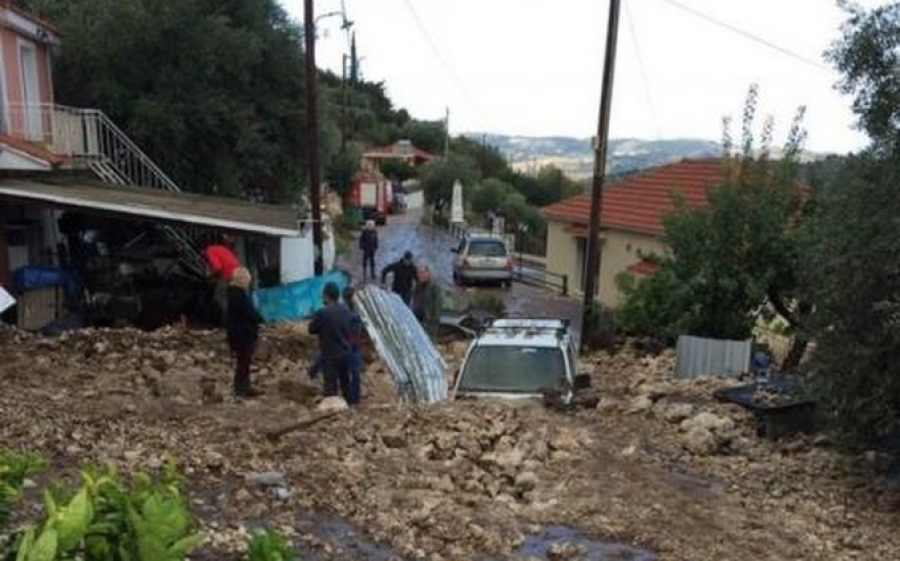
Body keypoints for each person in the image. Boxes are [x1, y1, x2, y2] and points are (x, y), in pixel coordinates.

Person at [307, 285, 365, 406]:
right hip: (345, 353)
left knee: (331, 388)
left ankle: (332, 412)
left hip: (329, 355)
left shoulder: (322, 313)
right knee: (345, 383)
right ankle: (350, 404)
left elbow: (311, 329)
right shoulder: (346, 311)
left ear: (326, 296)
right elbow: (354, 327)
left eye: (323, 295)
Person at [226, 267, 265, 398]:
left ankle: (244, 387)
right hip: (243, 334)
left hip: (238, 334)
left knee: (244, 361)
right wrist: (260, 319)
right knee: (244, 362)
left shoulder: (233, 295)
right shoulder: (239, 296)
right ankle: (241, 389)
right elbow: (250, 313)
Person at [205, 233, 241, 325]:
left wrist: (210, 277)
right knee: (233, 298)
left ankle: (225, 323)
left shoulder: (210, 250)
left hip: (229, 275)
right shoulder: (223, 249)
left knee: (219, 298)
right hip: (239, 274)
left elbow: (217, 268)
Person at [411, 264, 443, 341]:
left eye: (422, 273)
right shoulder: (417, 287)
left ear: (427, 273)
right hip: (418, 319)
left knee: (429, 340)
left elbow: (438, 303)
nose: (420, 275)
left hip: (430, 321)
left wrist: (434, 318)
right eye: (418, 273)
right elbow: (415, 301)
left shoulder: (434, 287)